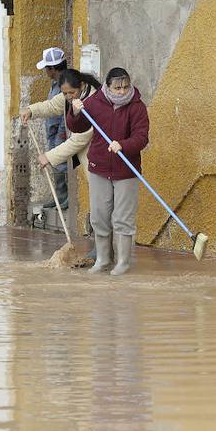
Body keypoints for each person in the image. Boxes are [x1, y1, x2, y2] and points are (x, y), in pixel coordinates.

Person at [67, 67, 150, 277]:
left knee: (123, 218)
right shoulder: (96, 102)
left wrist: (123, 145)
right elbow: (77, 126)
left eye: (125, 86)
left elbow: (142, 138)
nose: (122, 91)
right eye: (117, 87)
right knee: (99, 215)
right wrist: (76, 111)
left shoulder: (137, 107)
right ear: (108, 86)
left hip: (126, 170)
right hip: (99, 167)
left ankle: (123, 262)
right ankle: (103, 260)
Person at [23, 47, 70, 210]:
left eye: (46, 68)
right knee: (54, 161)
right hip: (53, 129)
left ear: (52, 68)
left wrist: (62, 131)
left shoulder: (66, 83)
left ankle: (65, 198)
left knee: (60, 162)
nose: (45, 71)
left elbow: (64, 108)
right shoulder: (55, 83)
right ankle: (58, 196)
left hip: (61, 129)